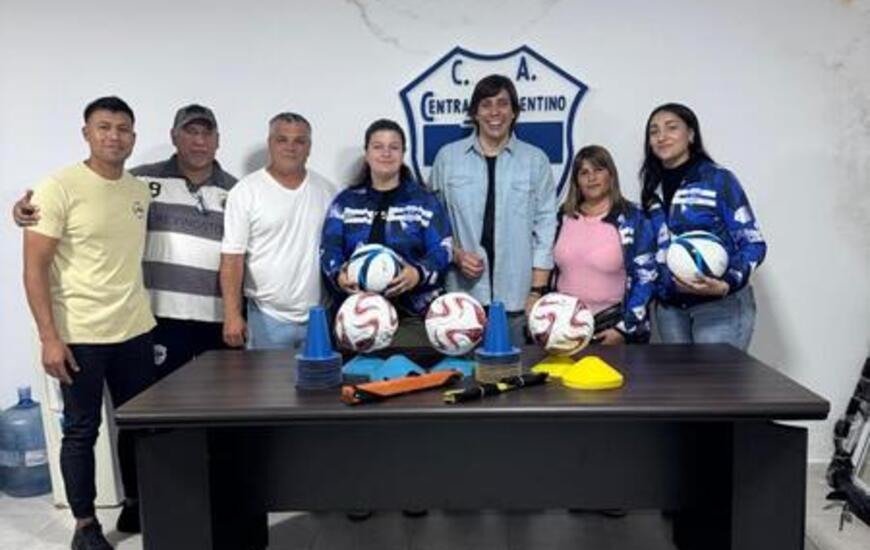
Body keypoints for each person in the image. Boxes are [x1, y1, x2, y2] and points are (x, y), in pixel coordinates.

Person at [13, 104, 237, 382]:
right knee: (160, 408)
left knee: (220, 401)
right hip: (157, 316)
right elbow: (102, 187)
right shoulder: (140, 181)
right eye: (190, 132)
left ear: (218, 140)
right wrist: (27, 210)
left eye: (207, 133)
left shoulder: (238, 191)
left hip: (216, 316)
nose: (199, 141)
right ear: (174, 136)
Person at [22, 97, 156, 550]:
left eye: (123, 128)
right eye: (104, 127)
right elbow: (34, 267)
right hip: (79, 335)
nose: (114, 136)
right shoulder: (57, 187)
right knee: (81, 430)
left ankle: (137, 503)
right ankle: (85, 525)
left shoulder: (139, 190)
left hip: (135, 328)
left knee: (137, 425)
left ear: (133, 138)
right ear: (86, 133)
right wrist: (48, 338)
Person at [429, 74, 557, 346]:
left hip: (517, 299)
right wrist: (456, 255)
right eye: (486, 104)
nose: (495, 112)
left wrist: (536, 291)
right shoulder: (447, 159)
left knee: (515, 379)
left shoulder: (536, 161)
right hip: (462, 300)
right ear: (475, 112)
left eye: (502, 103)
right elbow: (432, 226)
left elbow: (546, 231)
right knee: (465, 380)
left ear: (514, 112)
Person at [640, 103, 766, 350]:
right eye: (654, 132)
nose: (661, 136)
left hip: (719, 307)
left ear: (691, 135)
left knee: (716, 388)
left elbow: (754, 243)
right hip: (670, 311)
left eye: (671, 128)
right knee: (680, 389)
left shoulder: (717, 179)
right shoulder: (650, 191)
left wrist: (727, 282)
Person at [320, 119, 452, 346]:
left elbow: (444, 249)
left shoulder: (424, 201)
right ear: (367, 153)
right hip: (355, 319)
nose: (386, 153)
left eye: (394, 147)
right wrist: (337, 275)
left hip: (413, 317)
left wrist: (418, 274)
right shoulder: (345, 202)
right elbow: (328, 248)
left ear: (403, 153)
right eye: (378, 146)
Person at [220, 112, 337, 350]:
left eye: (299, 141)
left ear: (309, 147)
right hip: (267, 317)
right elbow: (232, 259)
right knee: (266, 388)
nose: (290, 147)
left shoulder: (328, 191)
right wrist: (232, 315)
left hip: (319, 318)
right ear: (270, 144)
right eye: (282, 139)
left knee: (319, 386)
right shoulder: (246, 192)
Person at [552, 145, 657, 344]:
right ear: (576, 181)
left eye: (599, 170)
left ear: (611, 175)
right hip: (564, 329)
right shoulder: (563, 216)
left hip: (612, 328)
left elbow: (646, 277)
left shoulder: (633, 218)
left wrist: (624, 329)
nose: (591, 178)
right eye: (584, 172)